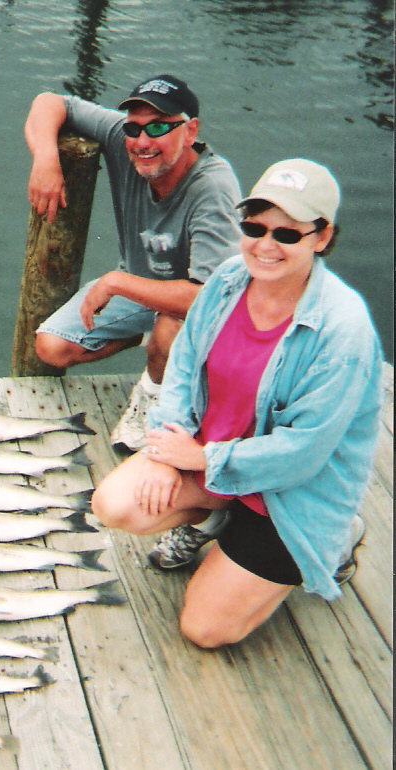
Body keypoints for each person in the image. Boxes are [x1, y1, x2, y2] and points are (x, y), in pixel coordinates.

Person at [90, 159, 383, 648]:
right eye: (254, 227)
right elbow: (182, 368)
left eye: (287, 234)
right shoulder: (229, 278)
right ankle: (219, 516)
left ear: (322, 237)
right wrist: (165, 453)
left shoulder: (343, 330)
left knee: (205, 630)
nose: (265, 245)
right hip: (214, 462)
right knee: (114, 504)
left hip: (290, 496)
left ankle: (336, 539)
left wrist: (202, 459)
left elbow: (303, 453)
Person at [24, 75, 242, 451]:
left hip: (201, 311)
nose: (142, 142)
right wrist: (45, 159)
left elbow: (208, 298)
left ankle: (152, 395)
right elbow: (50, 102)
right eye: (134, 128)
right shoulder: (124, 139)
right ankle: (149, 340)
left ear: (190, 131)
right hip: (140, 289)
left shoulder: (213, 187)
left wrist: (115, 283)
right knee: (51, 346)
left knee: (170, 328)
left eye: (158, 127)